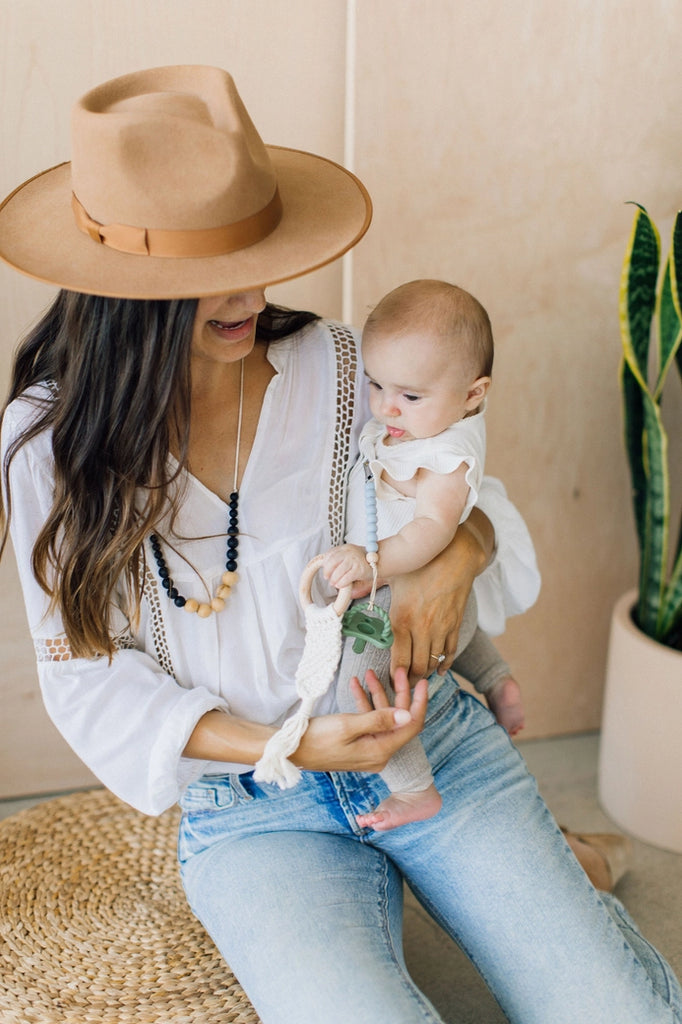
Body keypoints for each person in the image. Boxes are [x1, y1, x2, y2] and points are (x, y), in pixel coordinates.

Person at [0, 66, 678, 1024]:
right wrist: (295, 744)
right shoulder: (46, 446)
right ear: (126, 295)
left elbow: (460, 497)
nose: (253, 293)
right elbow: (83, 676)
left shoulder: (342, 364)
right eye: (208, 279)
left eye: (260, 253)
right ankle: (535, 867)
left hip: (428, 739)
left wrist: (455, 558)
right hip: (254, 801)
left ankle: (536, 869)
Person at [315, 279, 524, 830]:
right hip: (442, 602)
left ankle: (413, 788)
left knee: (360, 690)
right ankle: (498, 679)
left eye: (409, 395)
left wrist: (372, 560)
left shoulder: (446, 456)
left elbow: (435, 528)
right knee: (455, 633)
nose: (386, 406)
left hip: (397, 590)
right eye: (376, 383)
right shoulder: (416, 428)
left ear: (473, 395)